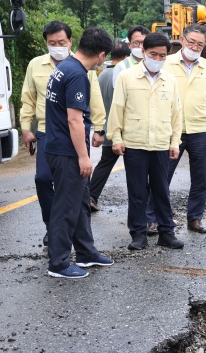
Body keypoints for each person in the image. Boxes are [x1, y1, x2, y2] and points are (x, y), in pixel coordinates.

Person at [20, 21, 106, 247]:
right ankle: (53, 227)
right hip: (48, 132)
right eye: (52, 43)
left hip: (75, 133)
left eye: (61, 42)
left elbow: (94, 98)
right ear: (46, 43)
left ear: (70, 41)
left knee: (80, 187)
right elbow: (28, 98)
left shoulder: (82, 67)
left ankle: (81, 242)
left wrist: (99, 128)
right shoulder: (36, 65)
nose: (57, 46)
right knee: (43, 178)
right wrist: (26, 128)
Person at [44, 27, 114, 278]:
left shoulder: (64, 67)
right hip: (66, 152)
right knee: (66, 206)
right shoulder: (76, 74)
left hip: (61, 146)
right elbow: (74, 121)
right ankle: (59, 263)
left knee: (81, 202)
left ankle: (86, 253)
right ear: (101, 55)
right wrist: (84, 157)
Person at [108, 33, 184, 250]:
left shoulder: (169, 80)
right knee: (137, 191)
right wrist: (117, 138)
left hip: (161, 144)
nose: (158, 59)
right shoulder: (126, 77)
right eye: (153, 54)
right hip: (134, 144)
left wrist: (174, 142)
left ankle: (166, 233)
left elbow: (176, 113)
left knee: (162, 190)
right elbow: (117, 109)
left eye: (162, 56)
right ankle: (138, 234)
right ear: (143, 52)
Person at [163, 24, 206, 234]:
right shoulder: (166, 64)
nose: (195, 46)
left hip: (200, 130)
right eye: (191, 42)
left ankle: (195, 219)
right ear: (182, 40)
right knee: (162, 177)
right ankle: (154, 219)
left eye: (200, 44)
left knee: (201, 179)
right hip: (173, 131)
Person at [89, 41, 130, 212]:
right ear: (127, 57)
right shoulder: (123, 75)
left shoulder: (101, 75)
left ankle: (91, 195)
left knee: (104, 164)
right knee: (135, 168)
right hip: (122, 129)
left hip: (105, 129)